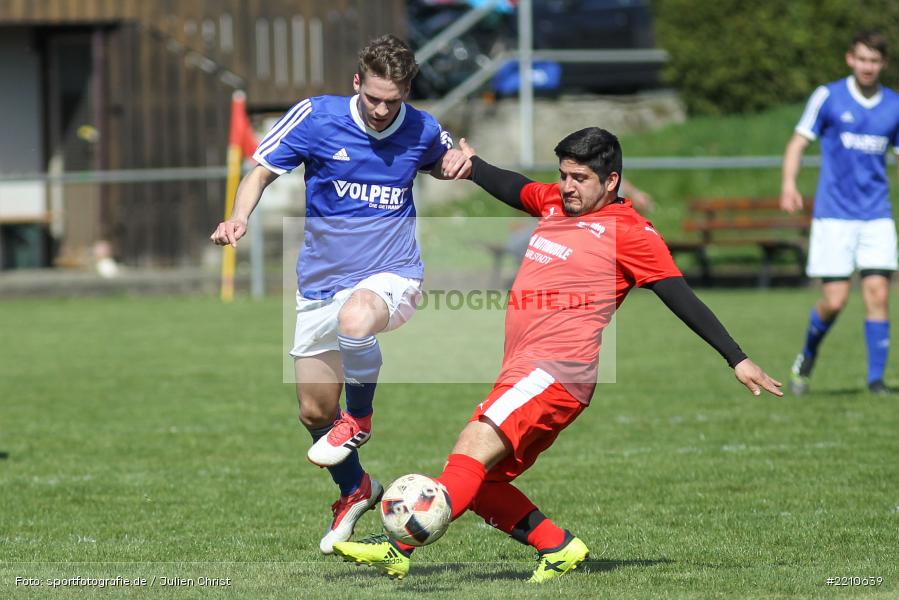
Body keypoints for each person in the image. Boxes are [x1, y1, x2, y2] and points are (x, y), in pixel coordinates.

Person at [332, 128, 782, 582]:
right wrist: (474, 168)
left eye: (580, 178)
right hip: (529, 370)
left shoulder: (632, 233)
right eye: (564, 175)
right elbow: (517, 188)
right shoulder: (556, 202)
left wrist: (736, 357)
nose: (567, 186)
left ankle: (397, 547)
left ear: (611, 181)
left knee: (471, 448)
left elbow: (680, 297)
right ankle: (558, 546)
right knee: (483, 481)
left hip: (555, 371)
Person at [210, 34, 470, 554]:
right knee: (313, 411)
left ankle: (361, 418)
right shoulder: (317, 117)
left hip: (393, 275)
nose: (381, 110)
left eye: (392, 100)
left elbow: (447, 159)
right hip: (320, 282)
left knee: (356, 318)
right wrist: (238, 217)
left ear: (406, 91)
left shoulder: (421, 127)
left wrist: (461, 161)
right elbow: (260, 172)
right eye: (372, 97)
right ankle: (356, 488)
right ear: (356, 83)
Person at [781, 30, 899, 396]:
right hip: (834, 214)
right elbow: (798, 142)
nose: (867, 66)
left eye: (874, 60)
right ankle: (807, 356)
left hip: (876, 214)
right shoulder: (828, 96)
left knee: (878, 294)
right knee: (835, 301)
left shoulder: (894, 105)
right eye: (862, 59)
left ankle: (876, 382)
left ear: (883, 63)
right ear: (850, 58)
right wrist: (788, 184)